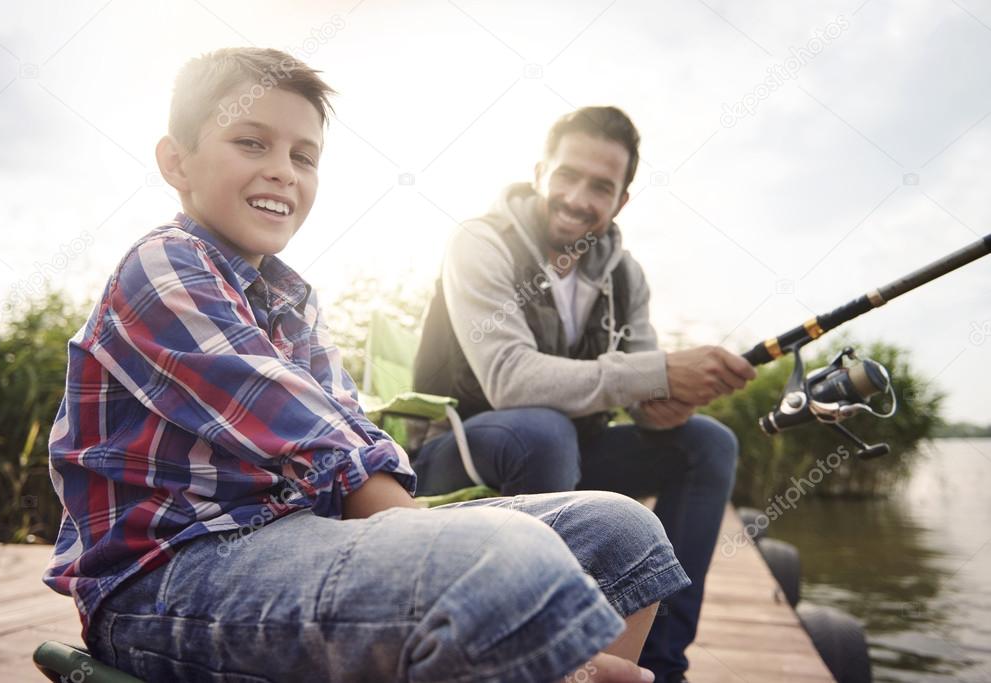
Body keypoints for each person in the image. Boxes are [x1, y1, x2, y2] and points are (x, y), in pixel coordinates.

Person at [41, 49, 692, 683]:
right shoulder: (164, 264)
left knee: (623, 531)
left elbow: (344, 417)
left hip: (297, 539)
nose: (282, 172)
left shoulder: (292, 301)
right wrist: (429, 542)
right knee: (499, 560)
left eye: (303, 156)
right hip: (165, 579)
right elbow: (302, 427)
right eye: (250, 142)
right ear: (175, 161)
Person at [412, 106, 757, 682]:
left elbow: (646, 402)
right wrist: (657, 373)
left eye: (601, 186)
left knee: (707, 445)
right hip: (462, 447)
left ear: (620, 201)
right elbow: (510, 378)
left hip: (567, 452)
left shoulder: (628, 276)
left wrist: (675, 399)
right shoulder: (480, 242)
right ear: (541, 169)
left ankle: (660, 666)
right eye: (567, 176)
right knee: (541, 428)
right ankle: (547, 662)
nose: (577, 197)